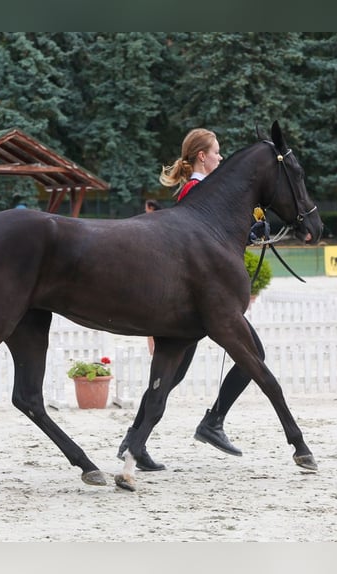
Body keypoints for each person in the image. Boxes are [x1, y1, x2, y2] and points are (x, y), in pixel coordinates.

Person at [118, 127, 248, 471]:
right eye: (216, 152)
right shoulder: (196, 190)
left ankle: (134, 442)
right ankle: (212, 422)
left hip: (198, 298)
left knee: (171, 376)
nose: (221, 157)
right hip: (194, 300)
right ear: (202, 156)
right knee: (174, 374)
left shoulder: (203, 190)